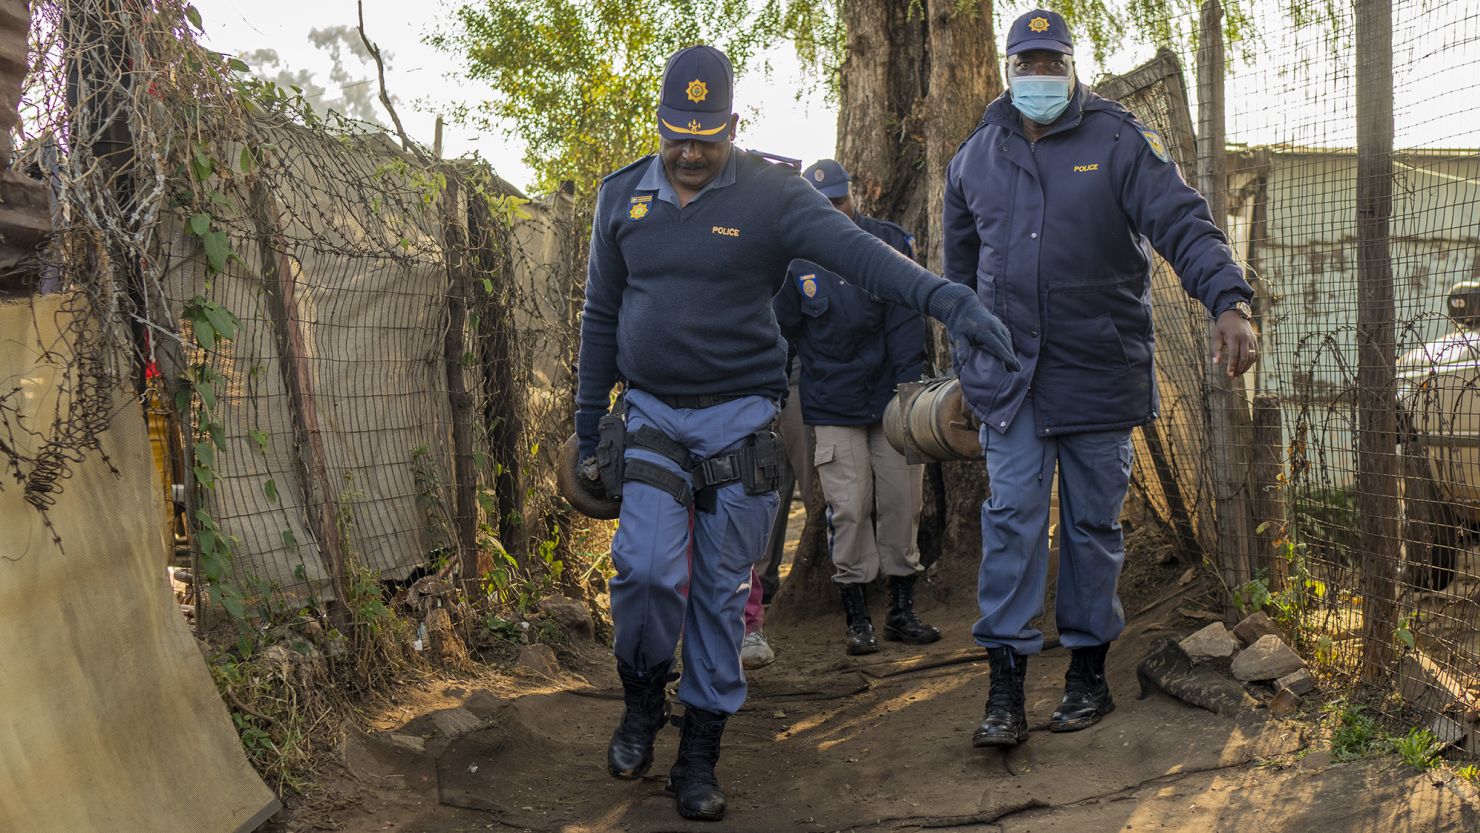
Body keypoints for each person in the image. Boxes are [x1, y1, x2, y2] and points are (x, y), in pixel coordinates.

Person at [576, 45, 1017, 821]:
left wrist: (950, 302)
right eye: (674, 133)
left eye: (704, 137)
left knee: (718, 591)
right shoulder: (621, 200)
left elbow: (866, 258)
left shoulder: (772, 198)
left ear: (733, 126)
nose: (686, 151)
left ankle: (701, 752)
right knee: (645, 571)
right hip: (649, 412)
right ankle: (643, 699)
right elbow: (601, 318)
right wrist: (586, 424)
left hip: (740, 418)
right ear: (658, 124)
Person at [941, 10, 1258, 750]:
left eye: (1054, 63)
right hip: (1013, 380)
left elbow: (1183, 220)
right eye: (1029, 64)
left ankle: (1087, 672)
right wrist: (969, 357)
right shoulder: (975, 156)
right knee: (1014, 519)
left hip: (1097, 369)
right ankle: (1005, 687)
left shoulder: (1118, 140)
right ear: (1008, 69)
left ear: (1072, 67)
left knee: (1091, 526)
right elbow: (957, 274)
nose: (1041, 76)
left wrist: (1228, 299)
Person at [774, 159, 941, 656]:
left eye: (840, 200)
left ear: (855, 198)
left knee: (901, 505)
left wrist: (911, 398)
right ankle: (857, 619)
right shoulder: (793, 263)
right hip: (831, 404)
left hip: (892, 403)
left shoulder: (887, 243)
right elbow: (781, 334)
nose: (834, 210)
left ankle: (901, 612)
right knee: (848, 510)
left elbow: (906, 323)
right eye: (823, 204)